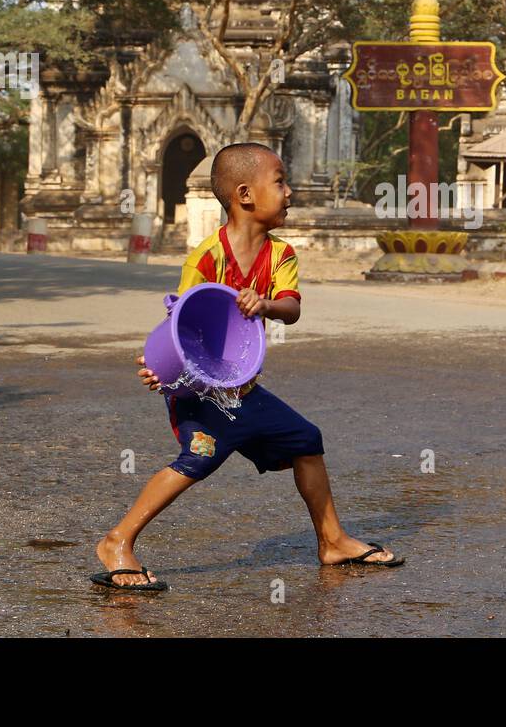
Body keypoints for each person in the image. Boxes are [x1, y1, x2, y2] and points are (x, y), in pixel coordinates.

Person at [92, 142, 403, 590]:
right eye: (279, 181)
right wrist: (159, 369)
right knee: (199, 456)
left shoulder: (282, 255)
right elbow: (178, 325)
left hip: (241, 388)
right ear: (244, 195)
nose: (290, 191)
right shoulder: (206, 257)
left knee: (306, 439)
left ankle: (332, 540)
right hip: (199, 391)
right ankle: (117, 541)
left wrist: (267, 305)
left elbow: (292, 309)